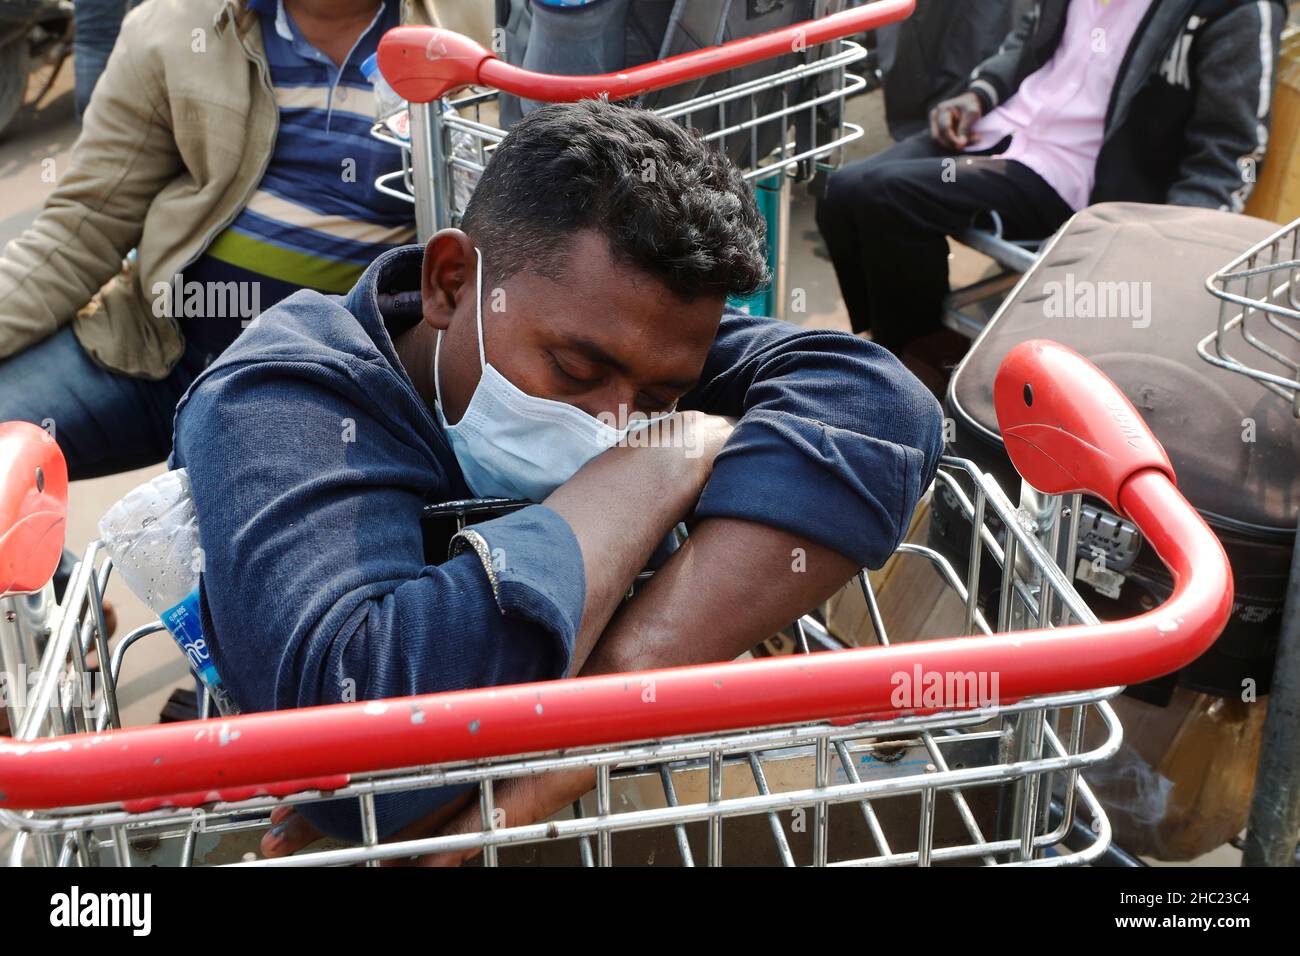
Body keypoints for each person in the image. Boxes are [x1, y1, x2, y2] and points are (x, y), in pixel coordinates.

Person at [167, 98, 945, 857]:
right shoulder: (282, 396)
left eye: (660, 399)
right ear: (450, 283)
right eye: (574, 370)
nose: (610, 422)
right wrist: (660, 460)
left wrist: (594, 720)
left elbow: (883, 405)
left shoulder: (634, 327)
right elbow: (357, 761)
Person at [816, 0, 1288, 355]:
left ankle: (921, 368)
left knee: (886, 199)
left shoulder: (1235, 8)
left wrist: (1171, 251)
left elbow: (1229, 148)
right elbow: (1029, 38)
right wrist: (979, 94)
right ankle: (896, 351)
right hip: (1006, 125)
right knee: (841, 190)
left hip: (1075, 176)